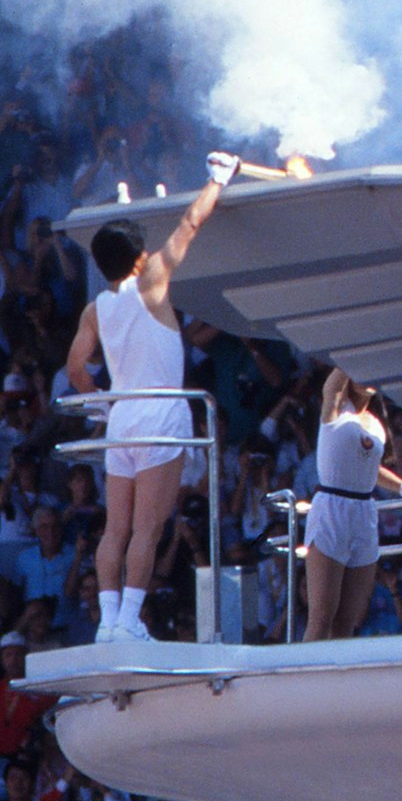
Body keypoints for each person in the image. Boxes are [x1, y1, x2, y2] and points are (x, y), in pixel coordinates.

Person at [64, 151, 239, 643]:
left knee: (115, 529)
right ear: (139, 258)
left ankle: (109, 620)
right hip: (162, 412)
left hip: (122, 419)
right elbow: (190, 223)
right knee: (146, 530)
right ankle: (126, 621)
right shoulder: (155, 279)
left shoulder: (95, 308)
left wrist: (100, 405)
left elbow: (75, 369)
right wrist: (217, 181)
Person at [303, 369, 402, 642]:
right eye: (361, 369)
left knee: (347, 620)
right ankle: (306, 680)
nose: (368, 374)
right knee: (321, 616)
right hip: (332, 507)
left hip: (364, 511)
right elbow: (339, 369)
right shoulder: (335, 406)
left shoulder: (375, 423)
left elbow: (371, 469)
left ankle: (338, 682)